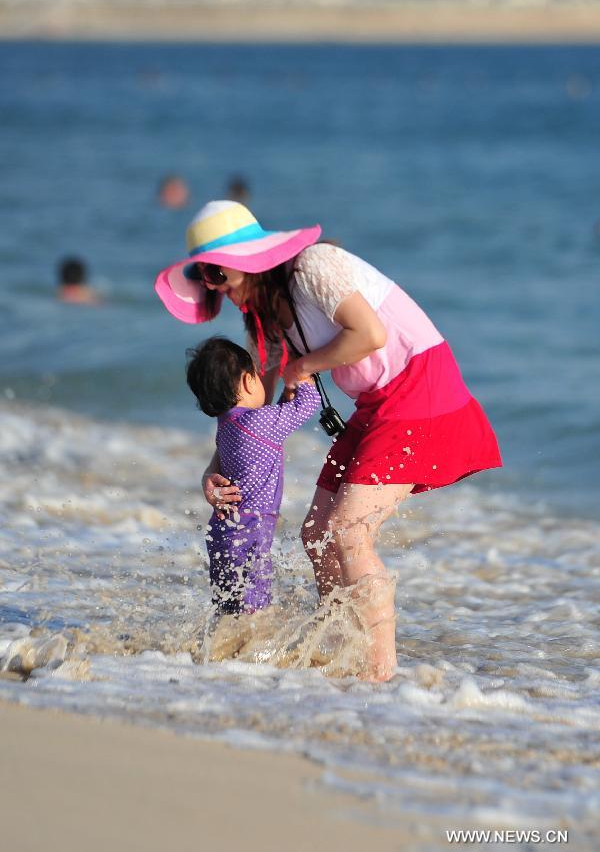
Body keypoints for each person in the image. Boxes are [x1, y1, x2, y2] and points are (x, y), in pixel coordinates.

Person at [155, 201, 502, 681]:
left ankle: (379, 674)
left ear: (248, 259)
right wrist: (217, 471)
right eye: (204, 275)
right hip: (375, 406)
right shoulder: (265, 315)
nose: (213, 286)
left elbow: (370, 334)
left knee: (348, 531)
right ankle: (338, 656)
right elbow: (252, 413)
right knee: (316, 535)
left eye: (217, 272)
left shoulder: (313, 267)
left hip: (419, 388)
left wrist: (305, 365)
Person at [186, 336, 320, 615]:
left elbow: (280, 416)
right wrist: (302, 371)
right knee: (254, 610)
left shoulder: (228, 426)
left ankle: (224, 655)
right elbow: (309, 404)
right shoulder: (259, 422)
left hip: (224, 533)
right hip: (250, 533)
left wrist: (286, 394)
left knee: (229, 608)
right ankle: (246, 656)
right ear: (248, 382)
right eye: (258, 377)